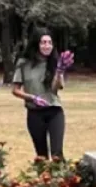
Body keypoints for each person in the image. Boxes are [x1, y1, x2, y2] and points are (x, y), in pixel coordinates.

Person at [11, 28, 73, 159]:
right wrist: (32, 98)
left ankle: (62, 173)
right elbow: (15, 90)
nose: (47, 46)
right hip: (34, 113)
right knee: (41, 156)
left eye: (50, 42)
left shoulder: (55, 62)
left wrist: (60, 71)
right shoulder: (23, 63)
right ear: (36, 44)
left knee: (57, 155)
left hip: (54, 111)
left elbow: (56, 88)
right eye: (43, 42)